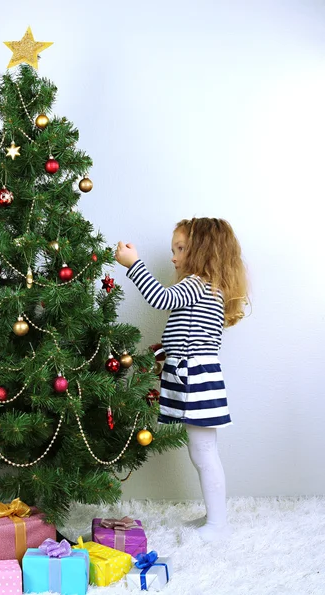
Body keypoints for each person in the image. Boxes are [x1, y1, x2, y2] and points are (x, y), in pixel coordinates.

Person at [115, 218, 248, 542]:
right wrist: (169, 348)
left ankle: (218, 527)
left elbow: (160, 298)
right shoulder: (208, 287)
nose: (173, 258)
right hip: (196, 373)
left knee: (204, 453)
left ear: (202, 250)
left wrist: (133, 264)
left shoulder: (196, 284)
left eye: (180, 249)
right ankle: (214, 518)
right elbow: (193, 334)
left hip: (197, 378)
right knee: (202, 452)